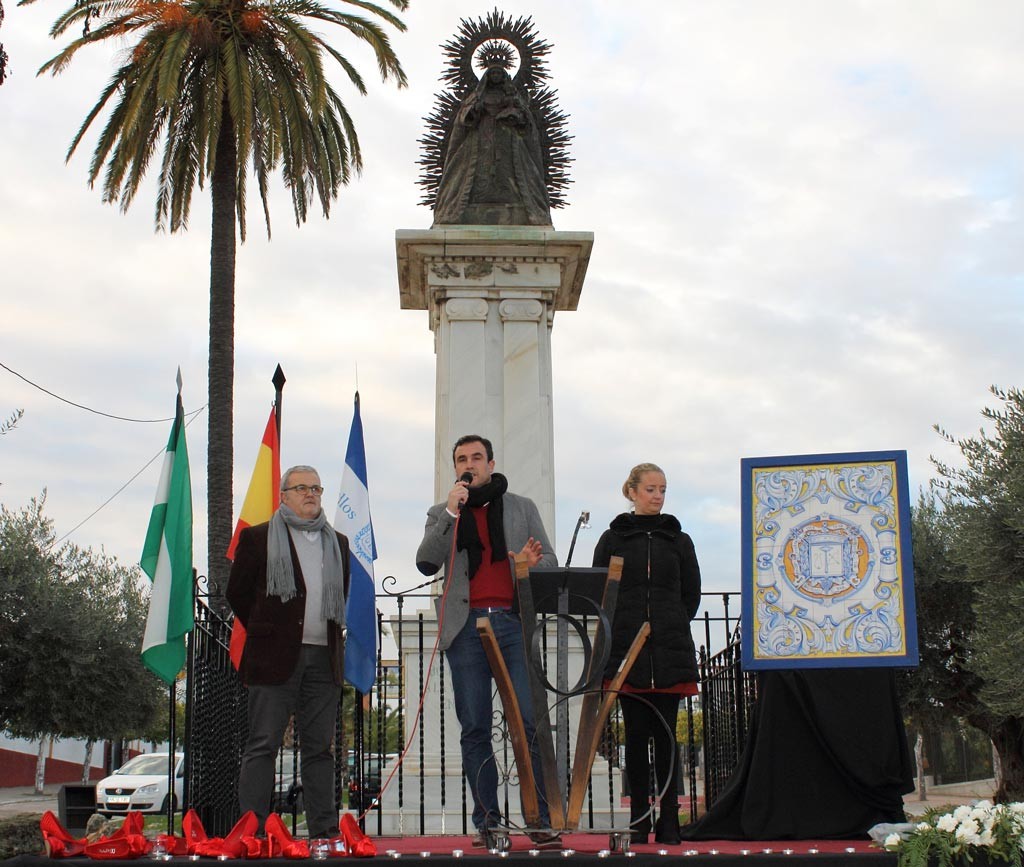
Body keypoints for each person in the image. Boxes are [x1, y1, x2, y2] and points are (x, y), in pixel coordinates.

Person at [416, 435, 560, 847]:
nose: (470, 464)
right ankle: (489, 823)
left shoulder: (521, 507)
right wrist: (448, 511)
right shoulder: (442, 512)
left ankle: (541, 818)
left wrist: (528, 565)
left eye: (476, 457)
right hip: (465, 629)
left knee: (531, 722)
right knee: (475, 728)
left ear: (491, 463)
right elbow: (426, 560)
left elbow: (548, 559)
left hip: (513, 624)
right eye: (462, 459)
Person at [227, 465, 350, 839]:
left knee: (320, 750)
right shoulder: (258, 538)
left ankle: (323, 831)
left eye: (316, 487)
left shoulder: (338, 542)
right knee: (263, 743)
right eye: (301, 488)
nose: (310, 493)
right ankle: (252, 830)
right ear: (284, 495)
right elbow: (238, 595)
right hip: (273, 658)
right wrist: (270, 631)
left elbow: (340, 596)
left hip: (323, 658)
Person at [592, 463, 701, 845]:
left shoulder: (679, 540)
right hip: (628, 650)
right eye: (651, 489)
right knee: (636, 738)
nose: (657, 496)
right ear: (633, 491)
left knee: (667, 738)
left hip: (668, 651)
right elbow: (601, 590)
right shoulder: (613, 538)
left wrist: (667, 623)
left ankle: (669, 821)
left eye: (663, 490)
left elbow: (691, 596)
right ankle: (640, 820)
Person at [433, 63, 551, 226]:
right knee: (477, 171)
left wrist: (515, 115)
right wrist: (476, 110)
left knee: (512, 172)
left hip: (508, 140)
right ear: (487, 77)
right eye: (493, 73)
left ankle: (522, 206)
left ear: (504, 77)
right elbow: (464, 118)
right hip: (481, 138)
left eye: (499, 73)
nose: (496, 76)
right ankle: (462, 207)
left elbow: (526, 120)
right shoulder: (477, 96)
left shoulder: (513, 97)